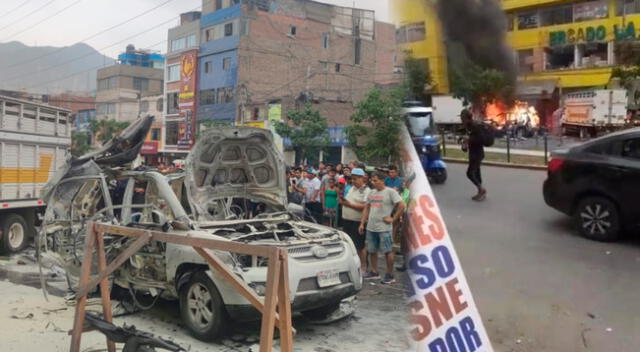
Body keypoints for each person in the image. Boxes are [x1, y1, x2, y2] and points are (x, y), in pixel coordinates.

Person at [359, 172, 405, 284]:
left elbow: (402, 205)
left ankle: (390, 275)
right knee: (372, 250)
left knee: (388, 251)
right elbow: (367, 208)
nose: (373, 182)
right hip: (371, 227)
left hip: (384, 228)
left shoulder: (390, 192)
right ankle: (374, 272)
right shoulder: (372, 192)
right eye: (372, 180)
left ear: (382, 181)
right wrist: (362, 223)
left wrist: (393, 219)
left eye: (375, 180)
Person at [341, 168, 370, 273]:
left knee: (359, 246)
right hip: (347, 220)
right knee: (349, 244)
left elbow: (366, 206)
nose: (353, 181)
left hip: (357, 222)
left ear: (362, 178)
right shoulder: (351, 188)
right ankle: (352, 265)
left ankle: (364, 267)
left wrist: (350, 205)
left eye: (355, 179)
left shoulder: (366, 190)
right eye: (352, 179)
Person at [460, 109, 487, 201]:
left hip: (478, 154)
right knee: (476, 173)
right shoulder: (467, 127)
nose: (461, 120)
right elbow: (468, 141)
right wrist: (464, 144)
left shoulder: (475, 126)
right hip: (473, 154)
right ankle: (480, 192)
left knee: (470, 173)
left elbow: (481, 139)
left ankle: (481, 190)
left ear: (467, 118)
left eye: (462, 118)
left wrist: (469, 139)